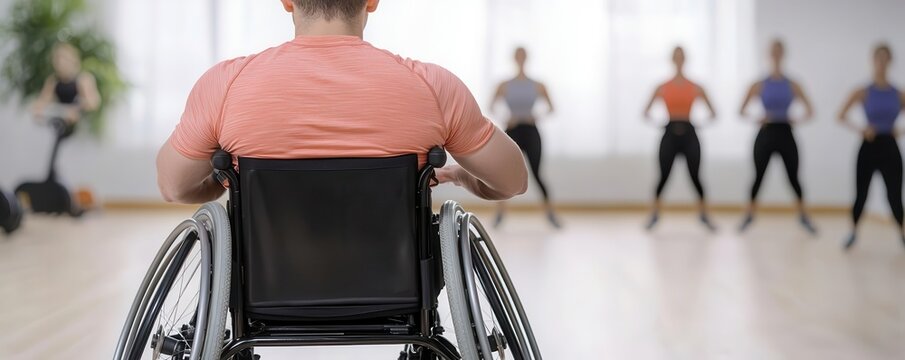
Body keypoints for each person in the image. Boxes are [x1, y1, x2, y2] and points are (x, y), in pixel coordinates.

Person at [156, 0, 528, 208]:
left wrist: (221, 185)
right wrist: (462, 176)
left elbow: (173, 186)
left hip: (265, 285)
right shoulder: (433, 86)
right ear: (372, 2)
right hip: (393, 285)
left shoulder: (225, 85)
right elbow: (512, 180)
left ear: (287, 2)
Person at [738, 39, 817, 234]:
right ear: (768, 54)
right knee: (758, 176)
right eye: (773, 51)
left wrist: (795, 119)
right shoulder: (759, 84)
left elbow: (810, 110)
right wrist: (757, 118)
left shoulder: (793, 84)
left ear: (783, 54)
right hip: (766, 133)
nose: (776, 55)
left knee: (793, 177)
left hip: (785, 133)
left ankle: (803, 215)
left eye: (779, 51)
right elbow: (742, 110)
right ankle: (749, 214)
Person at [643, 46, 718, 231]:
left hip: (690, 133)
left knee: (695, 176)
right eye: (676, 56)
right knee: (663, 176)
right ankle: (654, 213)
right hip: (669, 133)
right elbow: (646, 112)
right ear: (672, 59)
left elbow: (713, 112)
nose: (679, 60)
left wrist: (700, 122)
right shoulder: (662, 87)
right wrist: (659, 123)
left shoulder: (696, 87)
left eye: (681, 56)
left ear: (685, 59)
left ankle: (704, 214)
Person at [838, 44, 905, 250]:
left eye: (885, 59)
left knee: (894, 194)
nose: (881, 63)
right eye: (878, 58)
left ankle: (902, 233)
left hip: (890, 146)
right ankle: (853, 232)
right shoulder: (863, 91)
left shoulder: (898, 93)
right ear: (873, 60)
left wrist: (900, 130)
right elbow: (841, 116)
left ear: (890, 62)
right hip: (869, 146)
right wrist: (861, 129)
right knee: (861, 194)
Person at [489, 47, 560, 228]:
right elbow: (491, 106)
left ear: (526, 58)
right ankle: (500, 213)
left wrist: (536, 116)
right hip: (512, 131)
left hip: (531, 130)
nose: (520, 59)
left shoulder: (537, 85)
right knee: (504, 174)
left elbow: (551, 108)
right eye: (518, 56)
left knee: (536, 173)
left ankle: (550, 213)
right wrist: (506, 117)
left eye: (523, 56)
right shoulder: (504, 85)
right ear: (514, 58)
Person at [32, 42, 101, 136]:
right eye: (57, 59)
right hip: (60, 123)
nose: (61, 63)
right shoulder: (53, 81)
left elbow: (94, 103)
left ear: (73, 60)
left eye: (64, 59)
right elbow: (43, 100)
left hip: (80, 128)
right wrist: (39, 109)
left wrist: (78, 109)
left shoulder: (83, 79)